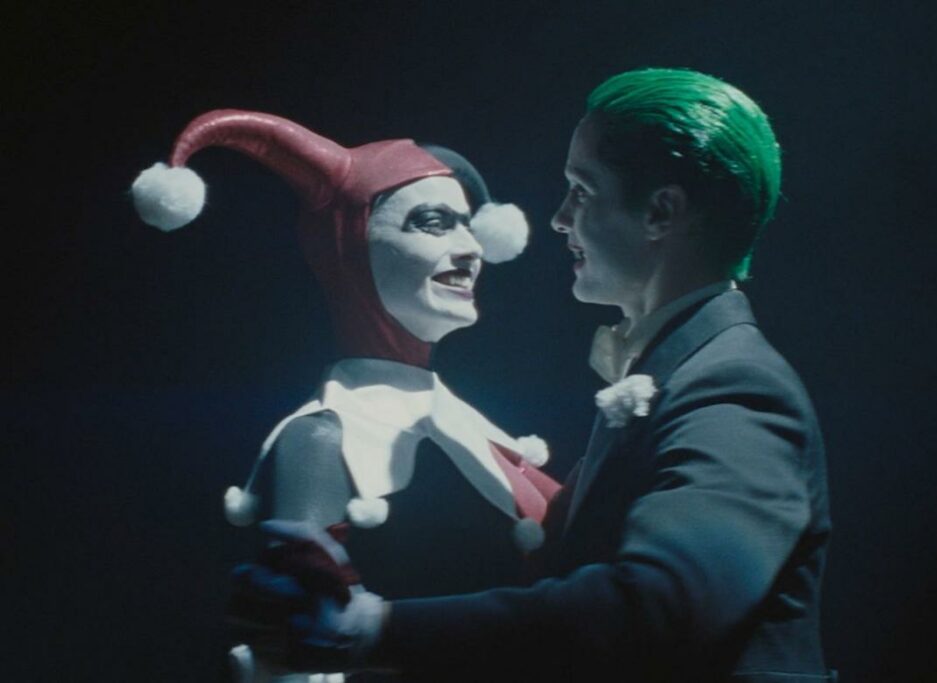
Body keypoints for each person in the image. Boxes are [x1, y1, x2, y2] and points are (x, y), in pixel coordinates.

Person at [235, 67, 835, 683]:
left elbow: (661, 606)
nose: (559, 218)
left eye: (582, 190)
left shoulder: (735, 386)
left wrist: (376, 627)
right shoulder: (689, 373)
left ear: (661, 212)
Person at [130, 110, 561, 682]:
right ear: (350, 246)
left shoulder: (475, 429)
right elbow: (296, 656)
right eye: (434, 223)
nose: (470, 249)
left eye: (468, 225)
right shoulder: (320, 438)